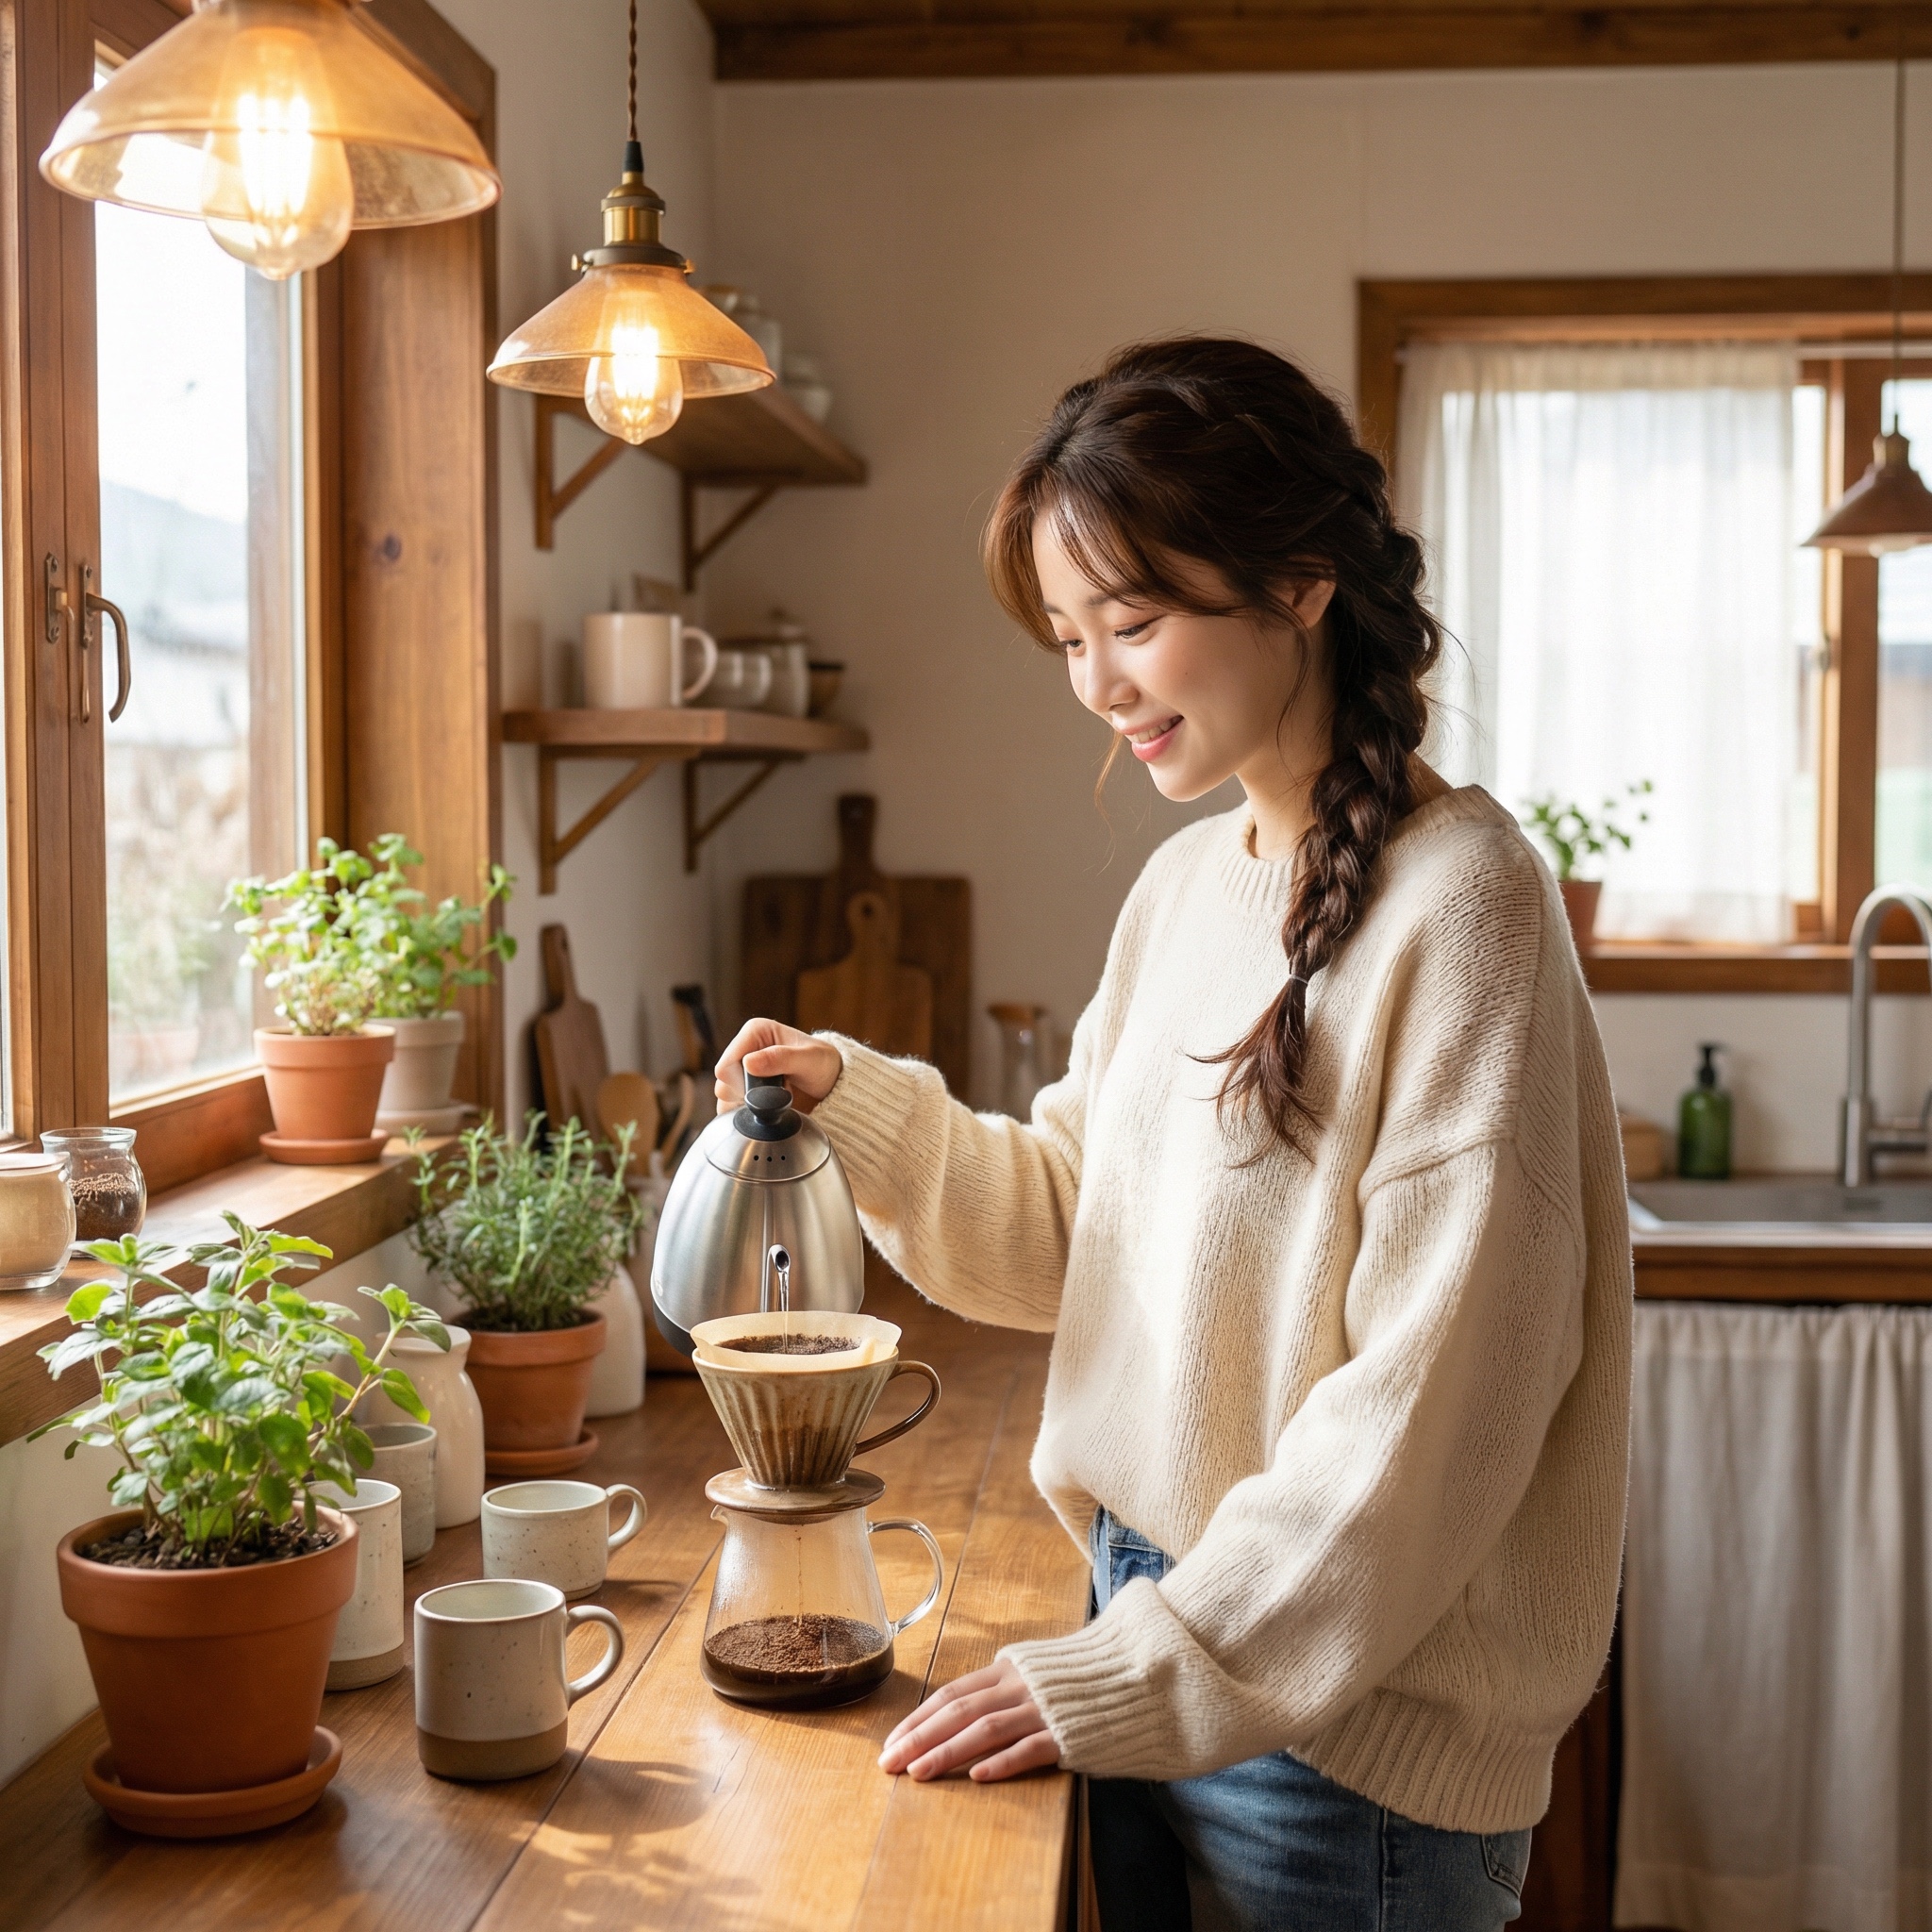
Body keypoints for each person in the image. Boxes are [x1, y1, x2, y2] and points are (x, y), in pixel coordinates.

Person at [713, 337, 1632, 1932]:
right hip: (1154, 1631)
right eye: (1070, 637)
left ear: (1298, 587)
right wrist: (852, 1096)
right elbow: (1084, 1226)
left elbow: (1432, 1411)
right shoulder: (1186, 887)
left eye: (1132, 624)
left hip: (1350, 1750)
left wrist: (1158, 1663)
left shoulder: (1467, 902)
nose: (1096, 682)